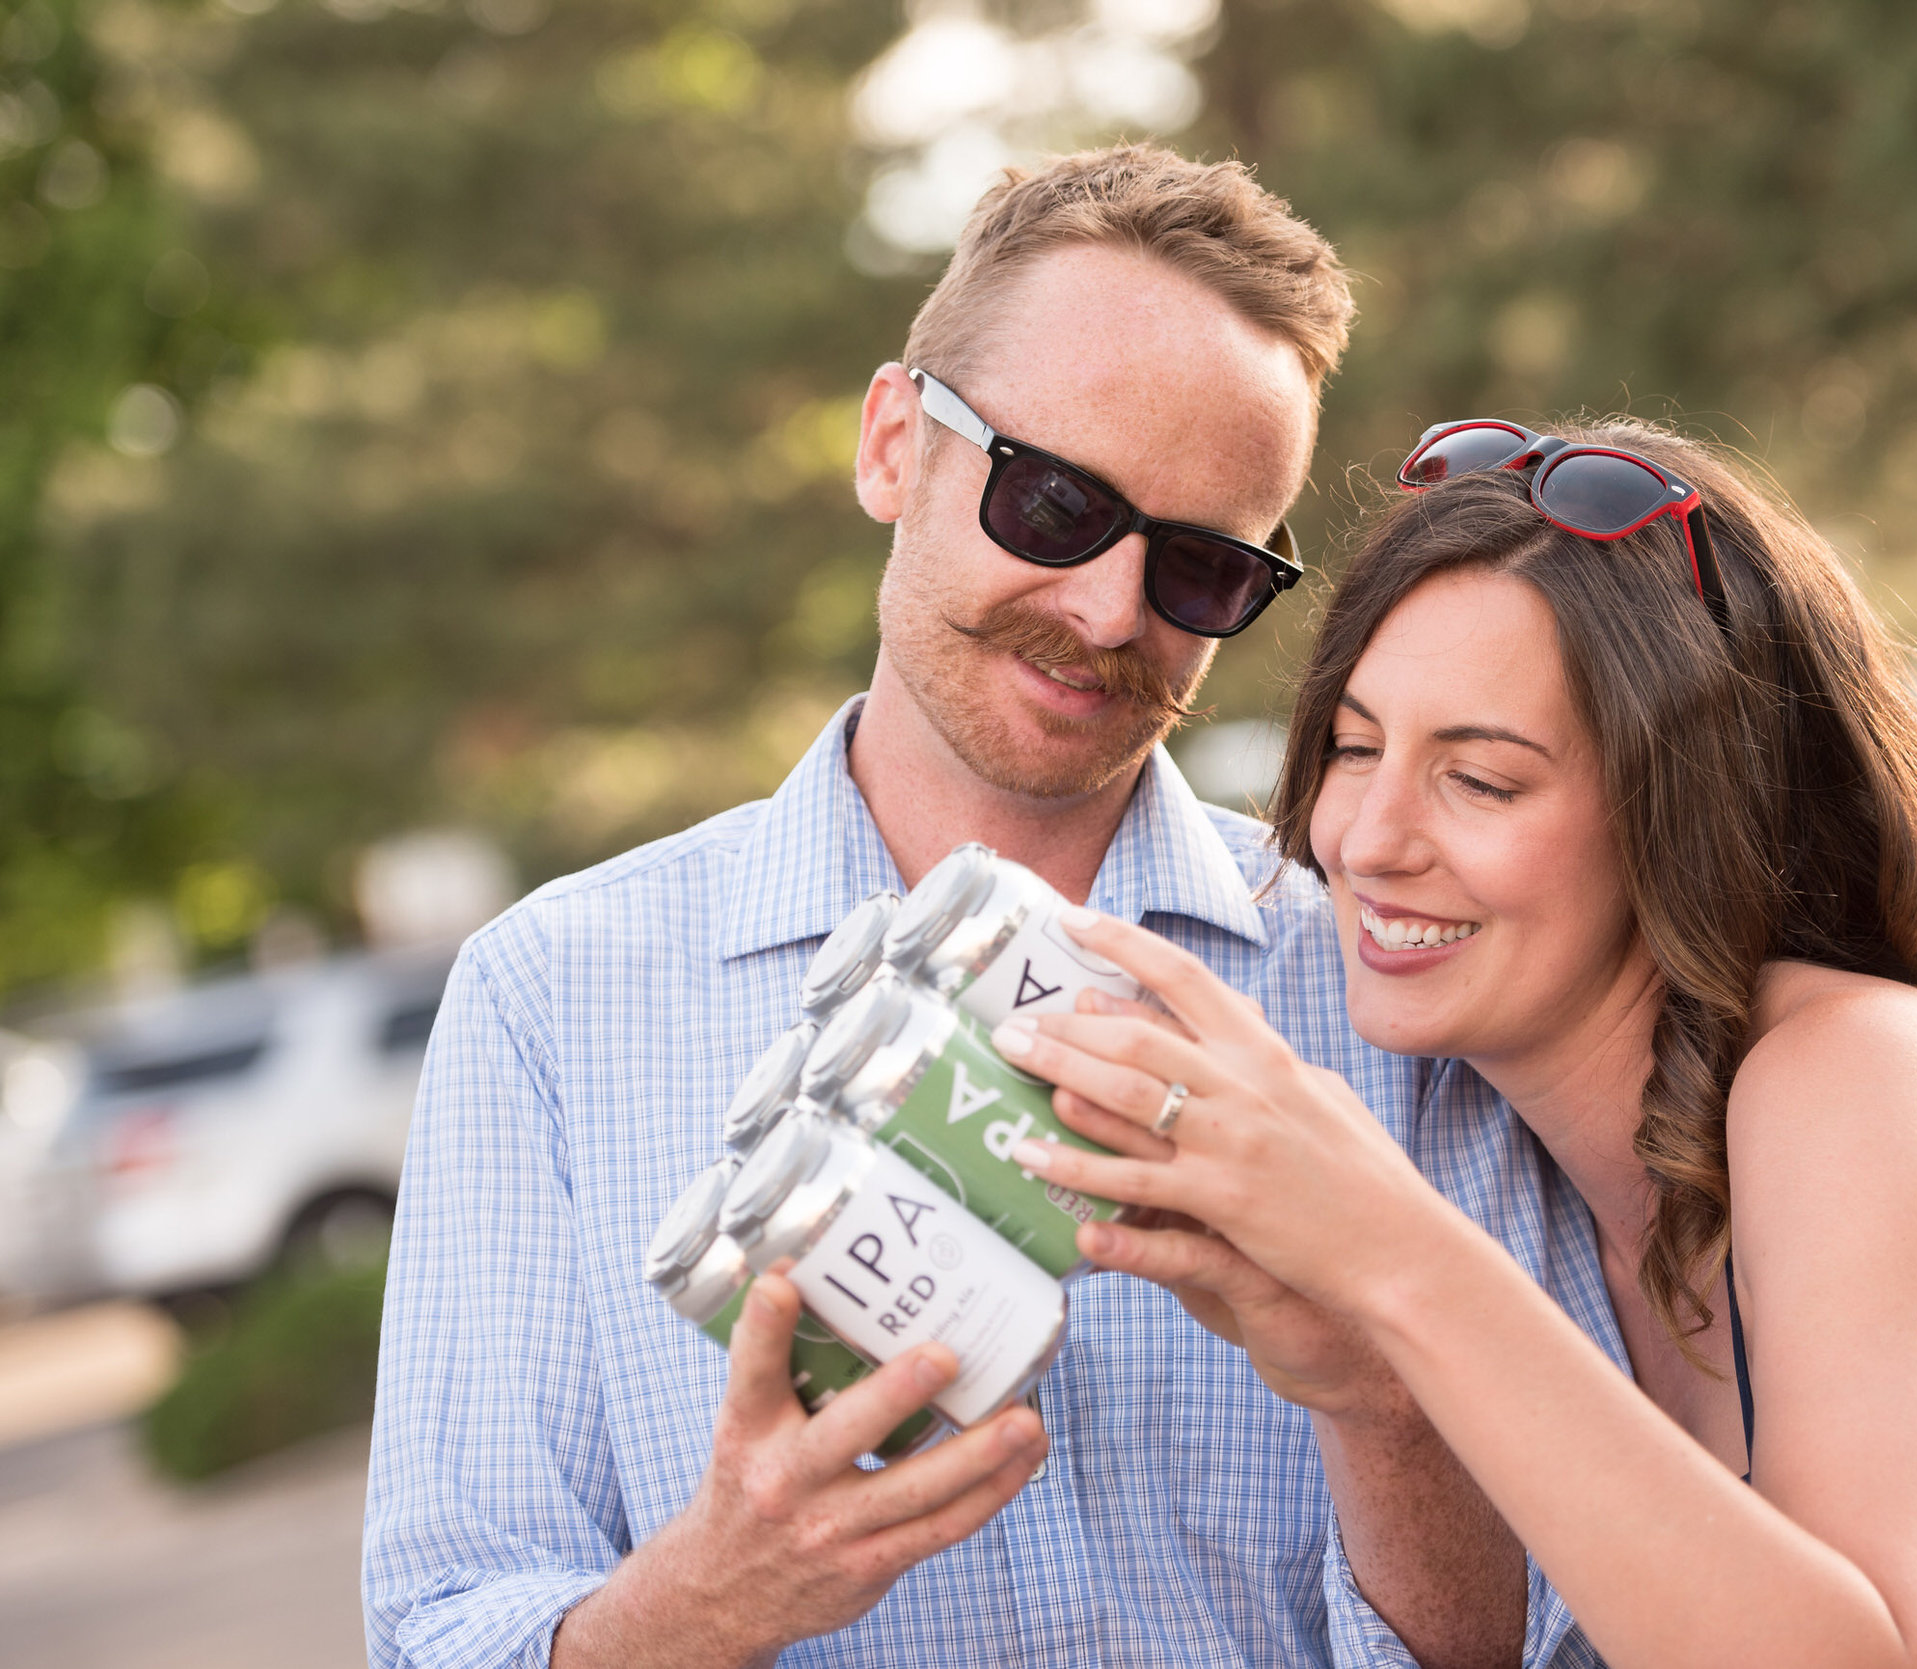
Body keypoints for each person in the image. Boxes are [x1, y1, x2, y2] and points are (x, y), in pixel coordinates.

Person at [362, 148, 1570, 1669]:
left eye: (1200, 567)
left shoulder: (1393, 984)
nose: (1109, 611)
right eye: (1054, 502)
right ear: (892, 446)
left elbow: (1562, 1635)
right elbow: (439, 1629)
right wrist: (707, 1600)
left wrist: (1381, 1399)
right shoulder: (551, 995)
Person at [987, 416, 1917, 1668]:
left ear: (1681, 813)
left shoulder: (1863, 1083)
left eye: (1481, 779)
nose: (1370, 839)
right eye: (1355, 746)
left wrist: (1395, 1255)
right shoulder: (1540, 1167)